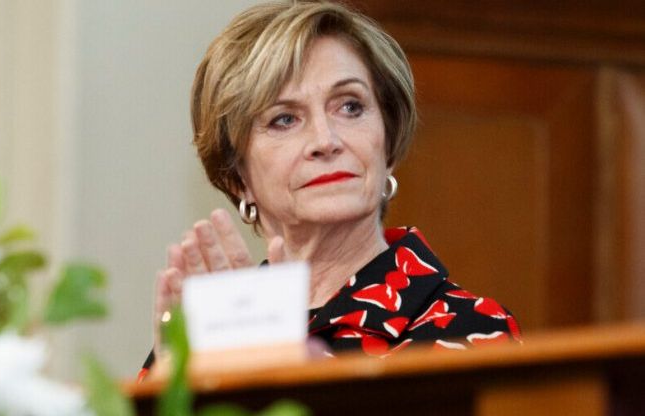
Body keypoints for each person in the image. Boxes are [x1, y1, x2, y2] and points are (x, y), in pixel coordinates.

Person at [139, 0, 520, 380]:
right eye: (284, 119)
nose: (326, 140)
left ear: (387, 143)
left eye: (350, 107)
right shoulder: (212, 335)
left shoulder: (472, 330)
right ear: (237, 178)